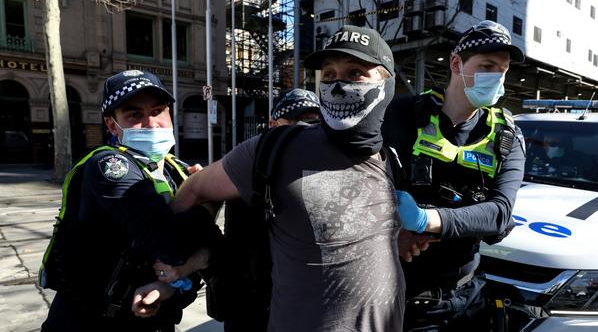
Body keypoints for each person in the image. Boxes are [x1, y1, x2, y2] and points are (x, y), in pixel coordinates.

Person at [136, 25, 405, 332]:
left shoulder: (390, 159)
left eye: (355, 73)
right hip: (254, 313)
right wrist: (175, 268)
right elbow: (203, 204)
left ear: (387, 83)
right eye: (328, 75)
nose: (338, 85)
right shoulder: (271, 154)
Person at [40, 70, 217, 332]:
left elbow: (214, 250)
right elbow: (173, 245)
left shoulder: (176, 169)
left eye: (158, 111)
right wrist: (207, 201)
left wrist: (169, 286)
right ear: (112, 125)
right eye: (135, 115)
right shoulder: (109, 167)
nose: (151, 123)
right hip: (89, 322)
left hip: (151, 318)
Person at [382, 20, 527, 331]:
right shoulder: (402, 115)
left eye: (502, 70)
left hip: (466, 294)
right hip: (402, 295)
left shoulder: (507, 135)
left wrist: (425, 220)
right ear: (456, 63)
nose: (497, 77)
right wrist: (392, 231)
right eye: (487, 65)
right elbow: (366, 185)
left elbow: (499, 213)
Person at [154, 88, 322, 332]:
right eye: (295, 123)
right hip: (248, 301)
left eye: (312, 122)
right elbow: (201, 203)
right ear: (274, 125)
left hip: (298, 301)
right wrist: (181, 263)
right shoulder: (248, 164)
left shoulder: (320, 169)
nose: (305, 130)